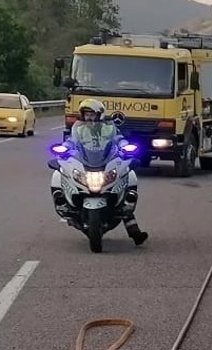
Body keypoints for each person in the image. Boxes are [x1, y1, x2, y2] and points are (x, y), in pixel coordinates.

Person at [62, 100, 148, 246]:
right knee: (60, 173)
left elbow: (118, 138)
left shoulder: (108, 128)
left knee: (129, 177)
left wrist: (125, 146)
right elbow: (72, 141)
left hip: (105, 160)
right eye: (86, 114)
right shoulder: (79, 129)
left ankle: (135, 232)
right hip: (87, 161)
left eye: (92, 114)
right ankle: (65, 203)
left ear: (99, 115)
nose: (89, 117)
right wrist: (64, 147)